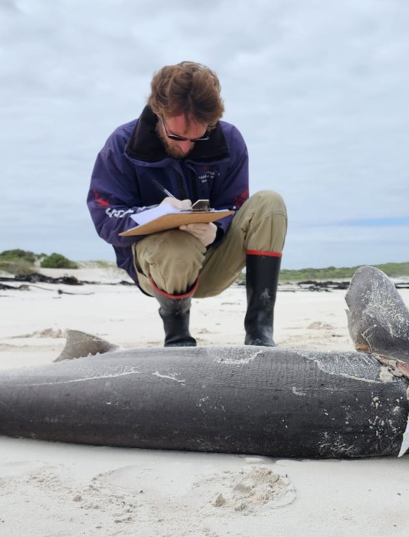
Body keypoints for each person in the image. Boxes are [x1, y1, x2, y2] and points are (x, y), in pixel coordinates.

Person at [87, 61, 287, 347]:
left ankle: (260, 333)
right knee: (177, 243)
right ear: (158, 111)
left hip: (212, 260)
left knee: (271, 203)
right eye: (177, 137)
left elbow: (235, 205)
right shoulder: (121, 144)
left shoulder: (230, 140)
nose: (186, 147)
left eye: (198, 137)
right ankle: (177, 337)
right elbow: (105, 219)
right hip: (157, 270)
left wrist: (217, 229)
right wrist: (156, 214)